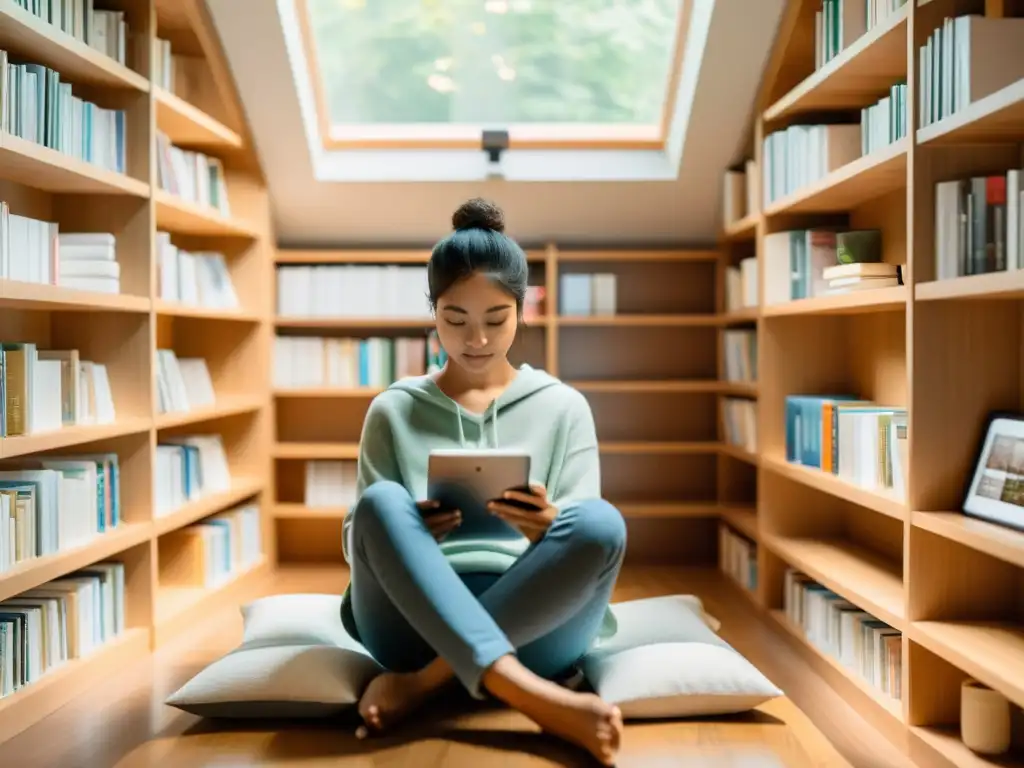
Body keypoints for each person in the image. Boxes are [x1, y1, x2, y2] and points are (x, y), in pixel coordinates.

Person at [340, 198, 627, 765]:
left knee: (600, 521)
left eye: (496, 320)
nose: (476, 340)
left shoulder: (563, 407)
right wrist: (411, 531)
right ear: (433, 313)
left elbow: (587, 542)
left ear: (522, 311)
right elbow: (358, 542)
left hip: (536, 624)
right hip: (409, 622)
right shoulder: (393, 410)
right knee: (378, 504)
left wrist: (549, 526)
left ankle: (426, 688)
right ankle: (536, 700)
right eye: (455, 321)